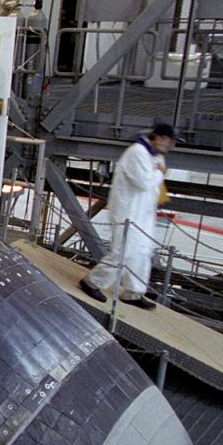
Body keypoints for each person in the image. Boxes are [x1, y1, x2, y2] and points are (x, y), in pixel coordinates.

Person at [78, 123, 178, 310]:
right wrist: (159, 173)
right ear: (160, 138)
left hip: (142, 214)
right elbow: (143, 181)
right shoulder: (137, 153)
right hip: (128, 213)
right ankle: (93, 282)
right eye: (169, 141)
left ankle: (134, 291)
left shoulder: (153, 156)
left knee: (141, 252)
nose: (170, 146)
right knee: (124, 252)